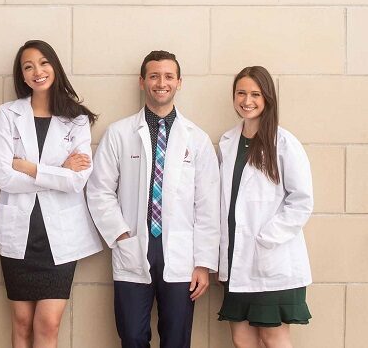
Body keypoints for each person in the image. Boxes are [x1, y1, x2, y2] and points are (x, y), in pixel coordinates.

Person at [86, 50, 220, 348]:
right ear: (142, 81)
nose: (162, 82)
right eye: (154, 76)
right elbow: (99, 189)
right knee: (132, 336)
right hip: (132, 244)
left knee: (176, 339)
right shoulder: (119, 133)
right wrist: (120, 234)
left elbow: (208, 205)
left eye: (169, 76)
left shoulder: (196, 139)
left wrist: (203, 263)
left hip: (182, 254)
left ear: (179, 82)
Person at [0, 40, 103, 348]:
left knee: (48, 323)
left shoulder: (77, 118)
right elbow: (3, 177)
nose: (37, 71)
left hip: (60, 239)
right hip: (19, 236)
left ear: (54, 65)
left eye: (43, 63)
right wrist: (58, 170)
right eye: (28, 67)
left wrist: (27, 166)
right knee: (22, 323)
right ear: (22, 75)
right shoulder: (7, 114)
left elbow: (77, 180)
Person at [217, 66, 313, 348]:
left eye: (255, 94)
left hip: (272, 259)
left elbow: (302, 200)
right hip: (236, 259)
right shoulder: (227, 142)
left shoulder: (284, 143)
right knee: (241, 339)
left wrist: (267, 237)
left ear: (267, 98)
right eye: (241, 93)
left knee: (273, 338)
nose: (247, 100)